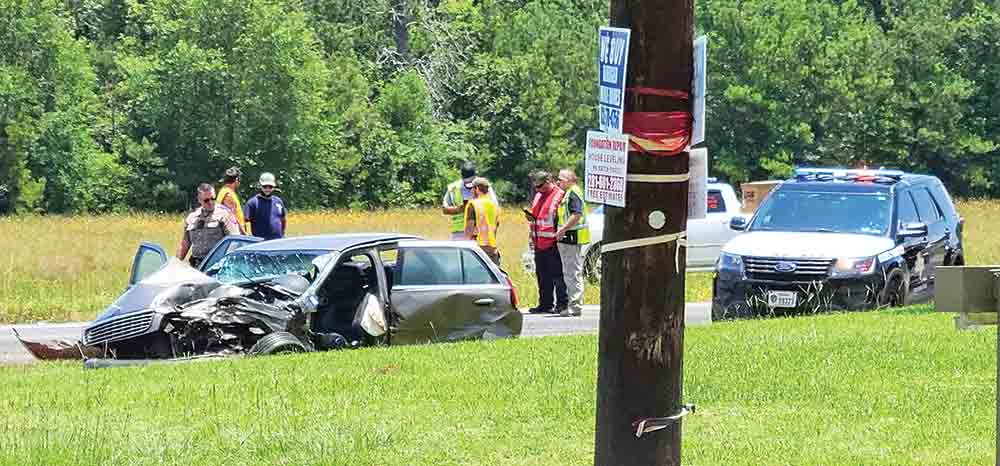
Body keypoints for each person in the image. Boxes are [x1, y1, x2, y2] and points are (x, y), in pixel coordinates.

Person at [525, 170, 567, 315]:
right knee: (542, 275)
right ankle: (545, 304)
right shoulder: (538, 195)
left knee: (557, 275)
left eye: (540, 186)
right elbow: (538, 217)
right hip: (538, 241)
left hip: (553, 242)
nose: (538, 189)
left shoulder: (559, 195)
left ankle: (562, 304)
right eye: (535, 187)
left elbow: (560, 218)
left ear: (549, 181)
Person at [177, 183, 241, 268]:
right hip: (196, 265)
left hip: (216, 265)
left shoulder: (225, 215)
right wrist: (175, 264)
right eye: (206, 200)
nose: (210, 202)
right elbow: (185, 244)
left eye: (213, 199)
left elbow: (235, 241)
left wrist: (225, 263)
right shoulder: (192, 217)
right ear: (199, 200)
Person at [554, 169, 589, 317]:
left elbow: (577, 214)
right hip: (568, 237)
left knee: (572, 272)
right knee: (569, 272)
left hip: (571, 237)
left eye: (561, 179)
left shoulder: (573, 193)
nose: (558, 182)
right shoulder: (569, 193)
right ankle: (573, 304)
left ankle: (575, 306)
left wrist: (563, 229)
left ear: (569, 180)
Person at [442, 160, 497, 240]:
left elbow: (494, 207)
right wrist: (460, 209)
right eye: (466, 182)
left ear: (476, 176)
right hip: (459, 233)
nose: (469, 185)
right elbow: (444, 209)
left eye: (471, 182)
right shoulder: (453, 188)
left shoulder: (484, 186)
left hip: (481, 230)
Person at [463, 177, 502, 266]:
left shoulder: (473, 204)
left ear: (476, 189)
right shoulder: (494, 206)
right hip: (492, 247)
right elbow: (496, 226)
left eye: (472, 188)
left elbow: (469, 228)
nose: (471, 191)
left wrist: (465, 246)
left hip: (477, 246)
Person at [244, 172, 287, 240]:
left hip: (278, 241)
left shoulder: (278, 201)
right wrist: (246, 236)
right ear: (260, 186)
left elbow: (283, 219)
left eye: (270, 187)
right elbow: (243, 222)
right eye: (265, 186)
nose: (267, 189)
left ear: (274, 187)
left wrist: (283, 234)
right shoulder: (253, 203)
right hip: (260, 243)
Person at [216, 166, 249, 234]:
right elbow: (232, 217)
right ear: (236, 179)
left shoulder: (224, 191)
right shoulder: (228, 195)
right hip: (233, 232)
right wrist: (244, 233)